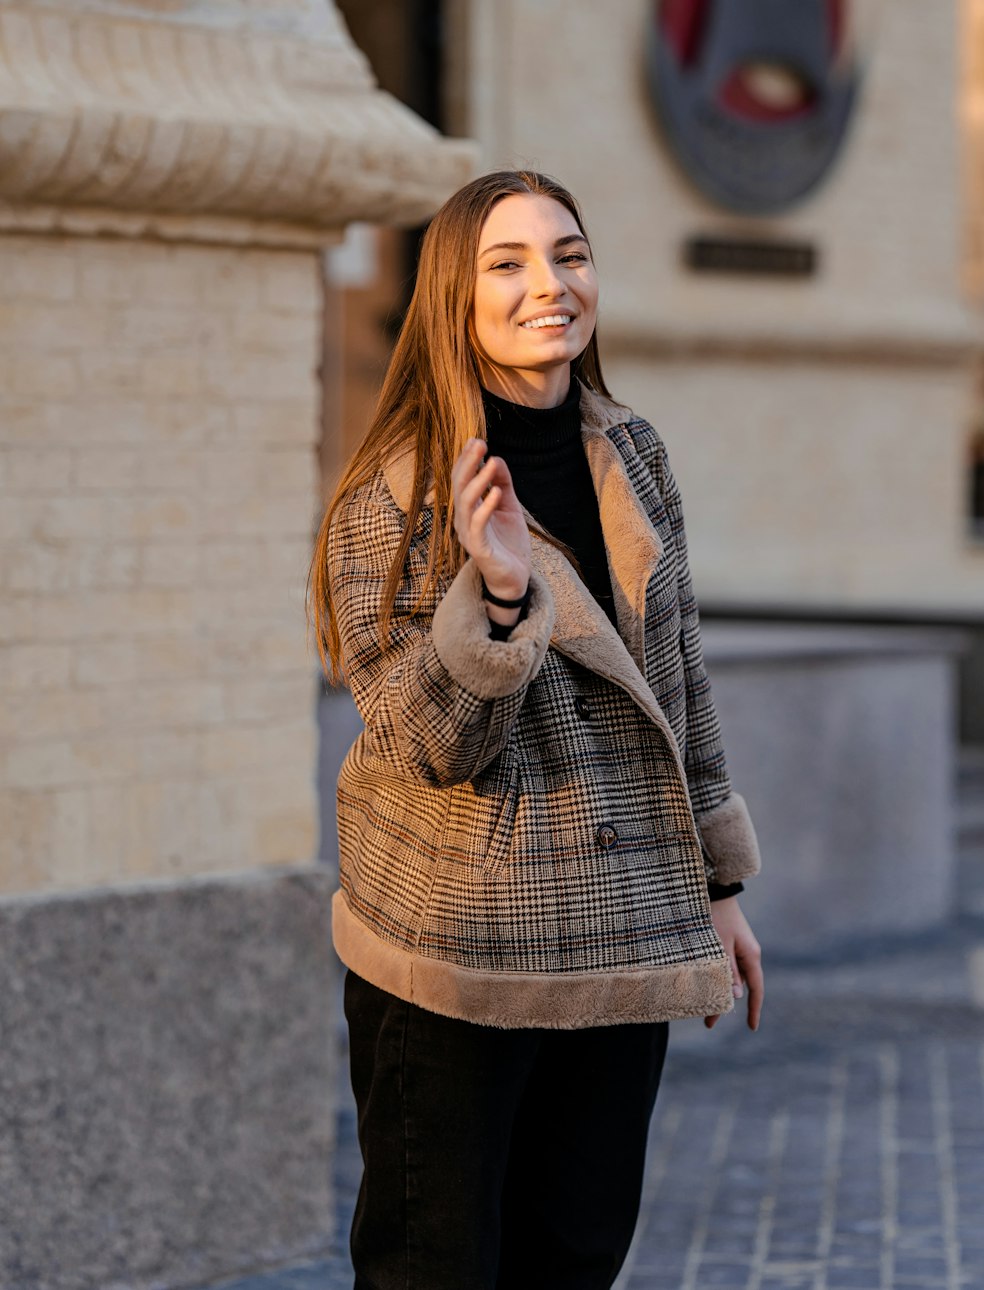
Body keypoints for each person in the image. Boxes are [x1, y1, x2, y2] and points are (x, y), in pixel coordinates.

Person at [309, 169, 764, 1290]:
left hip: (622, 944)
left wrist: (718, 886)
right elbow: (435, 747)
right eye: (506, 264)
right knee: (436, 1269)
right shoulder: (396, 498)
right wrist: (499, 597)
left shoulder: (634, 455)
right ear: (453, 300)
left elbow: (682, 681)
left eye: (568, 253)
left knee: (574, 1258)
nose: (548, 285)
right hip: (460, 957)